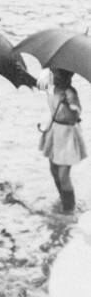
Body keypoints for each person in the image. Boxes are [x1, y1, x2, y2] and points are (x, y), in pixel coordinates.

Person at [40, 68, 86, 213]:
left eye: (58, 75)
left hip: (67, 134)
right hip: (55, 132)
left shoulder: (70, 93)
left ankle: (69, 208)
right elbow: (40, 87)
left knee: (63, 175)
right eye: (53, 74)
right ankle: (63, 198)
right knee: (53, 170)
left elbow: (76, 114)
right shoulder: (52, 89)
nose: (54, 77)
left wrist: (68, 104)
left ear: (67, 77)